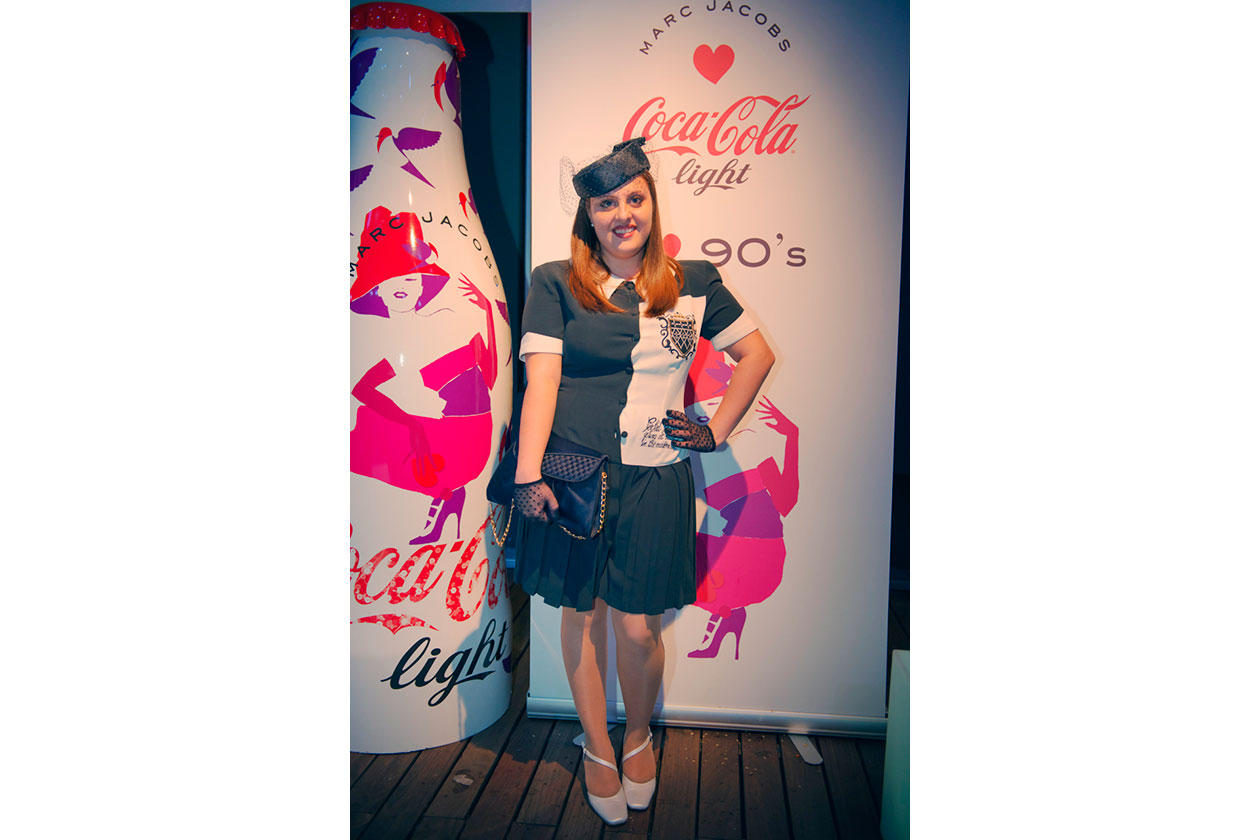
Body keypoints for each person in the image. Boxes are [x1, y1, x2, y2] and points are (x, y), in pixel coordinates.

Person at [511, 137, 775, 825]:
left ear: (653, 204)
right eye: (606, 204)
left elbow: (755, 355)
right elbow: (541, 382)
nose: (622, 214)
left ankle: (636, 735)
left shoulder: (695, 282)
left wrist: (715, 429)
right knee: (580, 614)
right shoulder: (554, 281)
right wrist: (527, 474)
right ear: (589, 216)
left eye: (634, 199)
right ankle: (597, 744)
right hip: (575, 473)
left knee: (636, 630)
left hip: (657, 478)